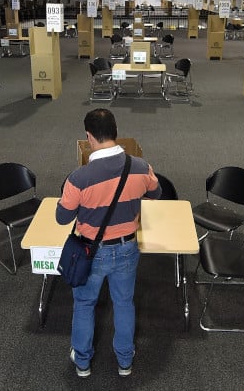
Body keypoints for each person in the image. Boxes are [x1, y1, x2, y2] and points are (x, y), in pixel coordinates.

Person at [57, 109, 161, 378]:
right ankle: (124, 361)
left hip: (91, 250)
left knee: (84, 304)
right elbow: (156, 192)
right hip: (127, 247)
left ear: (89, 138)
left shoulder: (78, 178)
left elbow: (62, 217)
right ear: (115, 133)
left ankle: (82, 362)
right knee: (124, 303)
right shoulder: (140, 166)